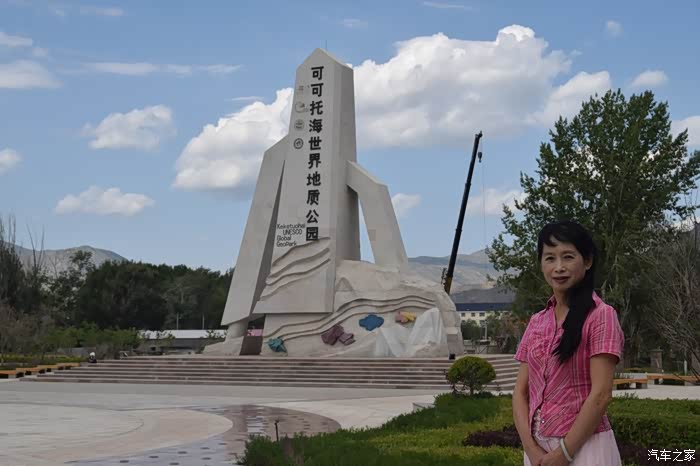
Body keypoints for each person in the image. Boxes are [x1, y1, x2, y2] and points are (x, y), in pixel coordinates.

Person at [513, 221, 624, 466]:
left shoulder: (601, 315)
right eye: (550, 258)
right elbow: (520, 392)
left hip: (586, 449)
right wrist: (530, 449)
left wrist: (564, 453)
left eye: (568, 257)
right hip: (537, 452)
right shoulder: (537, 321)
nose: (559, 267)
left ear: (587, 261)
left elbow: (601, 395)